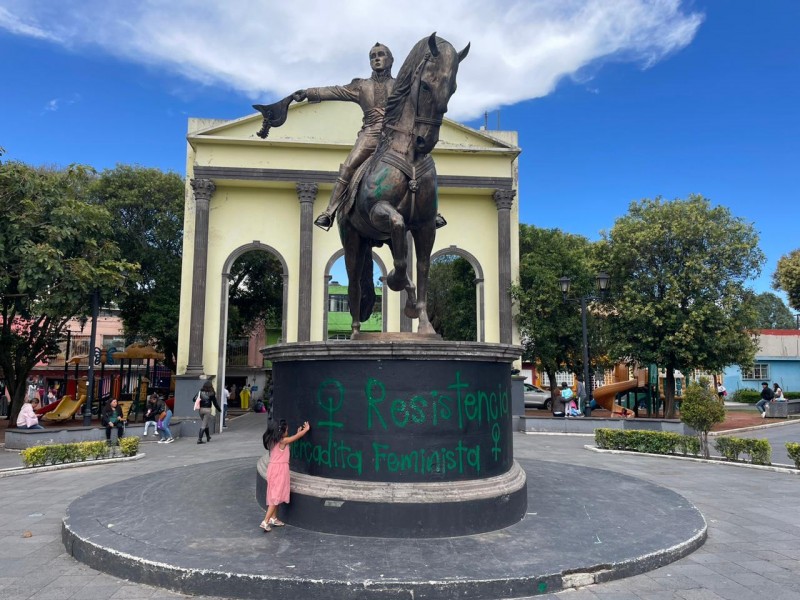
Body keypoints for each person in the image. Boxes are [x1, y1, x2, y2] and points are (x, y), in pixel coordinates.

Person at [294, 43, 446, 231]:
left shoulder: (401, 85)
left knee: (423, 163)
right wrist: (309, 92)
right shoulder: (361, 86)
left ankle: (432, 212)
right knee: (349, 165)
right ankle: (330, 211)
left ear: (391, 60)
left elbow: (422, 83)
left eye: (381, 54)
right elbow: (335, 91)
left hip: (396, 134)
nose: (376, 58)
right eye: (373, 55)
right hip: (371, 133)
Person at [260, 419, 311, 532]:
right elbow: (294, 438)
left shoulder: (273, 440)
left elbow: (291, 439)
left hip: (272, 469)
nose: (288, 431)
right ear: (282, 432)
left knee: (274, 493)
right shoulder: (283, 441)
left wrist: (297, 433)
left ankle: (274, 518)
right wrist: (305, 430)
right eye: (287, 430)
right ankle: (265, 521)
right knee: (276, 496)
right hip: (279, 470)